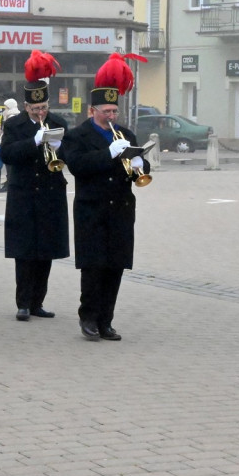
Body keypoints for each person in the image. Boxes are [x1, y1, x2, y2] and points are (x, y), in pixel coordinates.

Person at [59, 53, 149, 342]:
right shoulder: (78, 136)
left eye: (114, 112)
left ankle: (106, 320)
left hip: (121, 209)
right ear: (92, 110)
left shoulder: (125, 133)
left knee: (115, 266)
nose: (111, 117)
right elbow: (78, 166)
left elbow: (140, 166)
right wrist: (108, 153)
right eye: (106, 112)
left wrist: (139, 165)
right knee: (94, 266)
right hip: (92, 209)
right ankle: (89, 318)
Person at [0, 51, 69, 323]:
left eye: (44, 108)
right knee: (25, 252)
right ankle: (23, 303)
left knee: (46, 251)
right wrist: (34, 142)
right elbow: (7, 155)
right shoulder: (14, 125)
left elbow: (69, 156)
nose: (41, 113)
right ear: (26, 106)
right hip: (24, 194)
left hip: (51, 194)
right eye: (35, 109)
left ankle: (38, 301)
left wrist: (60, 148)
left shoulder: (59, 123)